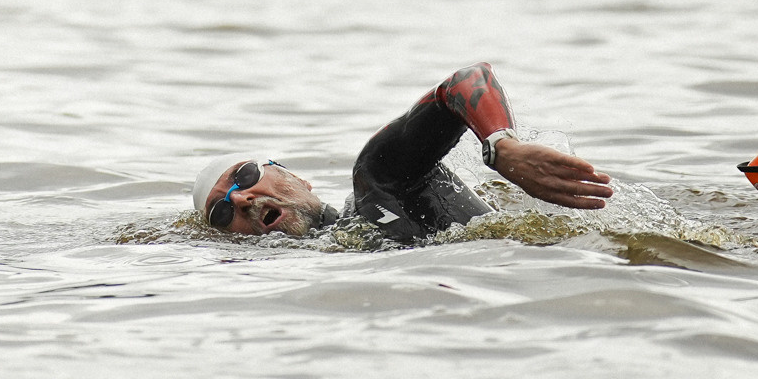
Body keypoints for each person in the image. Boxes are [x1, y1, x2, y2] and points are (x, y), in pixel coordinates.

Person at [192, 62, 612, 242]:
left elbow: (464, 82)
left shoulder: (381, 179)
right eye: (221, 214)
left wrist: (502, 146)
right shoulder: (327, 258)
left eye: (244, 176)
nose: (241, 199)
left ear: (296, 178)